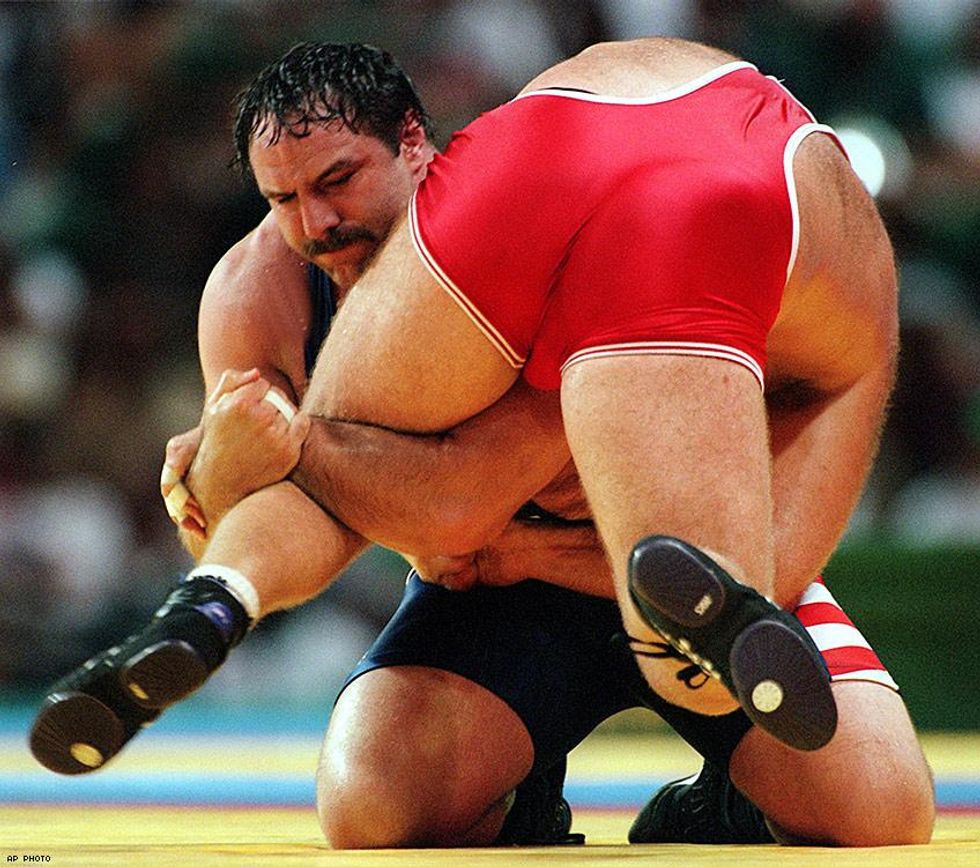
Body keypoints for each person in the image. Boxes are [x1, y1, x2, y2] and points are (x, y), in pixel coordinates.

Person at [30, 39, 933, 848]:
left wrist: (250, 460)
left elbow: (459, 503)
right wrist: (224, 490)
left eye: (338, 180)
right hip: (518, 599)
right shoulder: (254, 290)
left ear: (417, 147)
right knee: (370, 809)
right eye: (282, 200)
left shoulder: (513, 232)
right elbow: (260, 514)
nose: (315, 224)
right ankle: (214, 614)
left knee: (878, 809)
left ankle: (716, 804)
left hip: (669, 565)